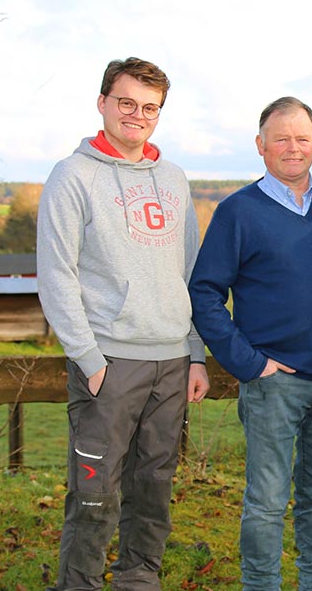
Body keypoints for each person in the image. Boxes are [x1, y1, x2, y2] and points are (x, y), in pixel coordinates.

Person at [37, 57, 210, 591]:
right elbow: (56, 275)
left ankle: (139, 579)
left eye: (150, 107)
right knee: (95, 492)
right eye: (127, 103)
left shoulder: (174, 179)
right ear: (103, 103)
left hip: (171, 362)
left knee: (154, 486)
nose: (138, 115)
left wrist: (196, 353)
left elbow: (190, 272)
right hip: (109, 364)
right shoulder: (73, 177)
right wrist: (90, 361)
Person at [188, 96, 312, 591]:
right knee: (266, 502)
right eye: (280, 138)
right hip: (273, 384)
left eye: (302, 138)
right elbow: (203, 292)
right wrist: (248, 363)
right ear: (261, 146)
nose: (292, 147)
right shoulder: (238, 212)